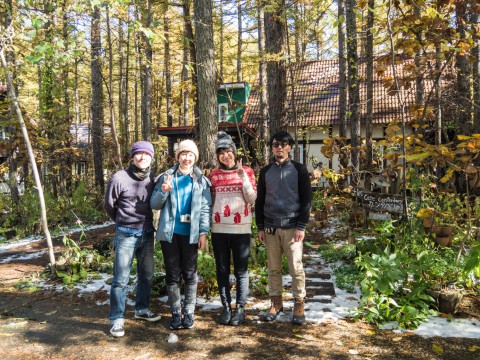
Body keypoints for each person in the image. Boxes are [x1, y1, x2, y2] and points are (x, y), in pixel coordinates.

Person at [150, 139, 212, 330]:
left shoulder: (201, 180)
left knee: (190, 273)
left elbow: (205, 208)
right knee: (173, 273)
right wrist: (163, 191)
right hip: (170, 234)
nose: (187, 158)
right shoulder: (166, 177)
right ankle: (176, 313)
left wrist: (203, 233)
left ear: (195, 157)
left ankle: (190, 312)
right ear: (178, 156)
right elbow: (154, 204)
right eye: (183, 154)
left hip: (191, 235)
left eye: (191, 155)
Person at [104, 141, 161, 338]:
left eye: (146, 154)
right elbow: (109, 205)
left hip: (146, 233)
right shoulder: (118, 178)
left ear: (151, 158)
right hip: (126, 233)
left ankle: (142, 309)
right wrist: (122, 221)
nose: (142, 157)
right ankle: (117, 319)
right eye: (139, 154)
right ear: (132, 156)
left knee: (146, 275)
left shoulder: (154, 179)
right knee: (120, 279)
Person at [255, 131, 312, 325]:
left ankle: (299, 303)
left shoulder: (299, 169)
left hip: (292, 228)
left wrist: (301, 226)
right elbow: (260, 201)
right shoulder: (265, 172)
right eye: (275, 144)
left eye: (283, 144)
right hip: (270, 228)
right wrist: (260, 226)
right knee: (273, 269)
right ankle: (276, 303)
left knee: (296, 268)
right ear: (271, 148)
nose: (279, 147)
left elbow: (307, 200)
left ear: (290, 147)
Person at [209, 132, 257, 326]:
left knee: (241, 271)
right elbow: (211, 201)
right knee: (221, 270)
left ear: (234, 152)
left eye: (228, 151)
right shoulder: (214, 175)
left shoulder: (247, 171)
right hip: (219, 230)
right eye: (221, 152)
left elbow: (252, 199)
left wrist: (243, 177)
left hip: (241, 230)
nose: (225, 156)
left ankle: (241, 308)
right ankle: (226, 307)